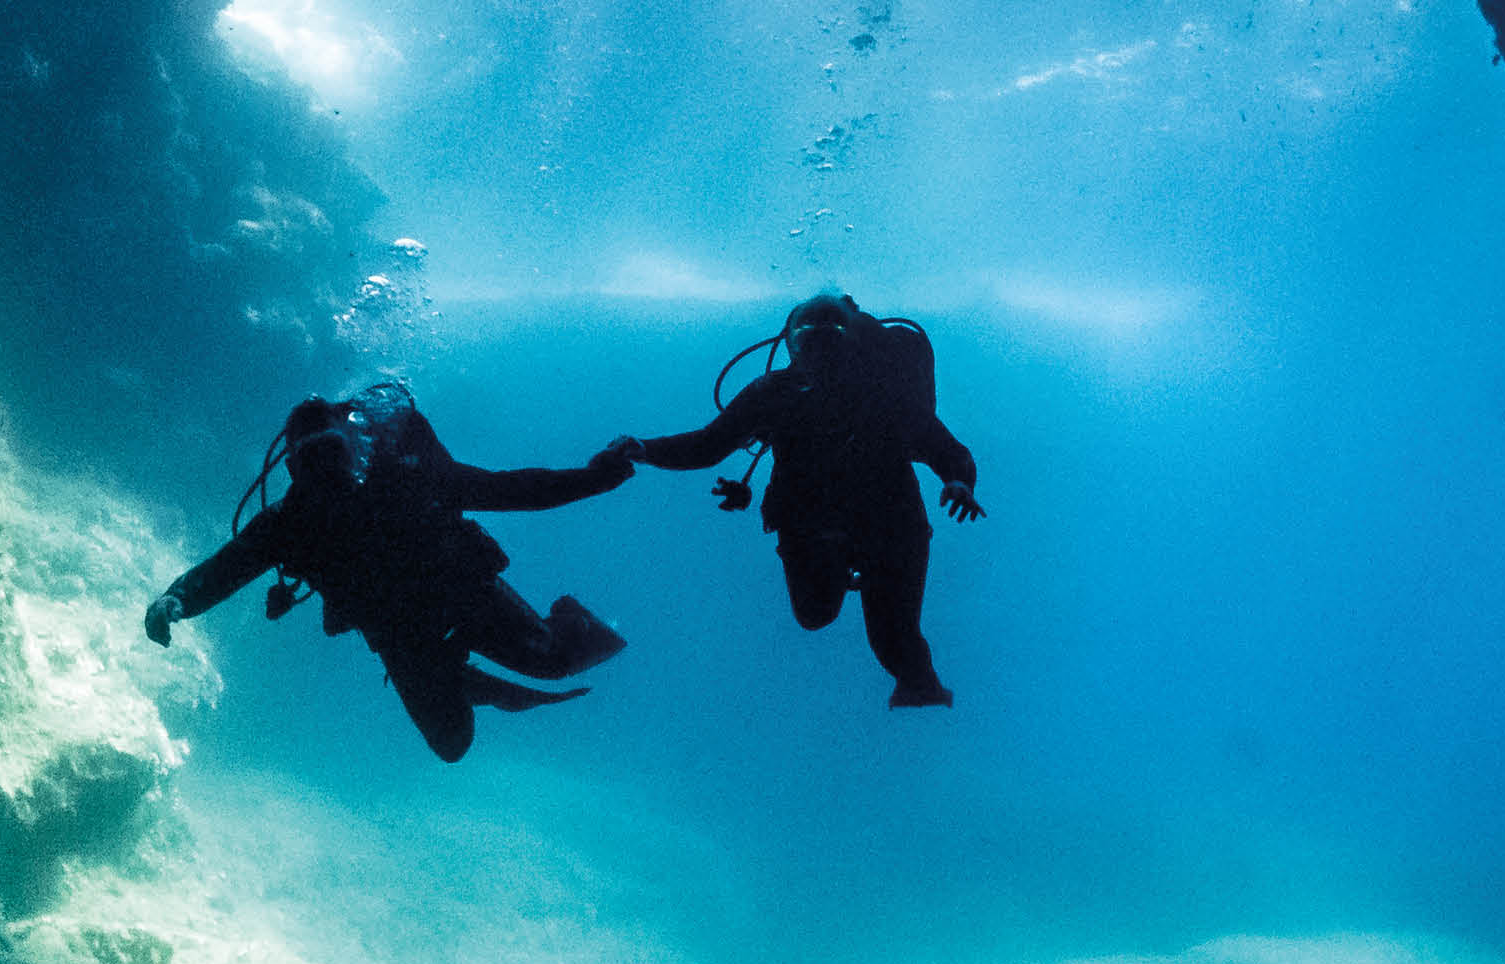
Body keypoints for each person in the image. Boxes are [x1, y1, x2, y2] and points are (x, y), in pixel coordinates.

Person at [145, 382, 633, 762]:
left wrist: (597, 477)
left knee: (557, 660)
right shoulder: (290, 523)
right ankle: (461, 680)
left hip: (464, 595)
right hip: (403, 635)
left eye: (331, 452)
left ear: (354, 444)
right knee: (452, 746)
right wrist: (177, 599)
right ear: (292, 466)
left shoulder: (414, 478)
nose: (324, 471)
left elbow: (515, 489)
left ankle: (568, 620)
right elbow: (231, 565)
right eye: (309, 461)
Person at [612, 293, 981, 709]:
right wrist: (645, 449)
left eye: (831, 338)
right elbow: (707, 446)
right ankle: (860, 581)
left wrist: (959, 481)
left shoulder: (871, 394)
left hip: (885, 528)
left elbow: (950, 454)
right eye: (811, 339)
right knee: (818, 618)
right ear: (792, 345)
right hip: (844, 527)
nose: (822, 350)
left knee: (892, 642)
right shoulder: (776, 393)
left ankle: (924, 691)